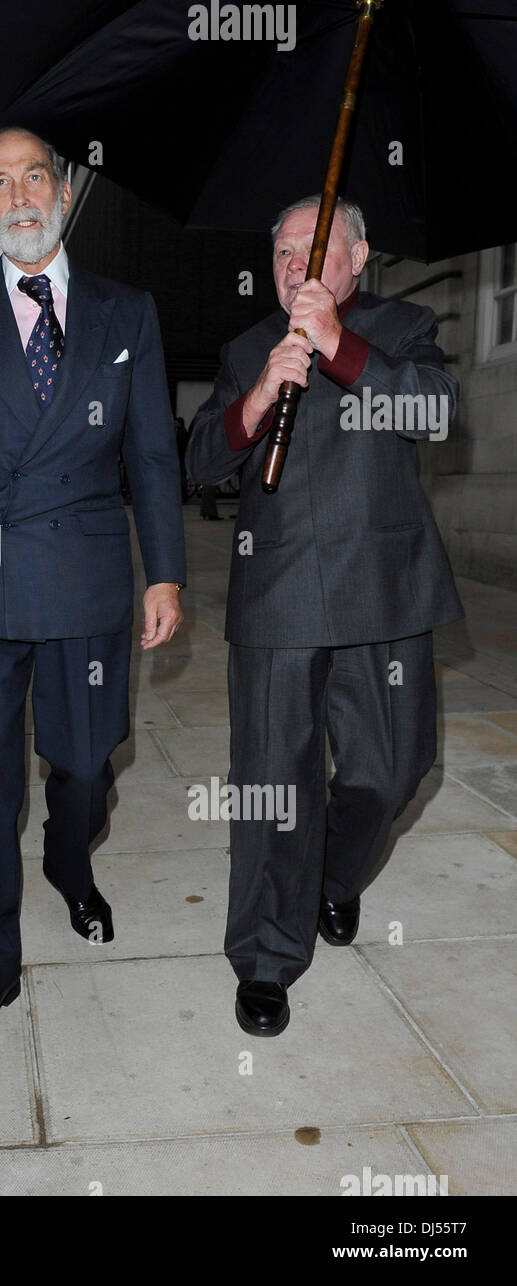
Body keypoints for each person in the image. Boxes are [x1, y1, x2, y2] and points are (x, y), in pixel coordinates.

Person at [0, 128, 185, 1059]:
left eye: (33, 178)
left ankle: (72, 863)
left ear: (60, 193)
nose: (18, 197)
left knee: (85, 764)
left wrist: (167, 571)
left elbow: (149, 453)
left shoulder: (125, 312)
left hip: (90, 578)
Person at [186, 194, 463, 1037]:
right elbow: (200, 461)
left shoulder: (402, 325)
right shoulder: (243, 349)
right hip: (275, 600)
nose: (293, 266)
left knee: (392, 771)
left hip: (382, 594)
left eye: (312, 249)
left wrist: (338, 347)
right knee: (274, 786)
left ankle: (330, 881)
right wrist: (261, 393)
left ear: (358, 257)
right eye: (280, 254)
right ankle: (266, 957)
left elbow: (434, 413)